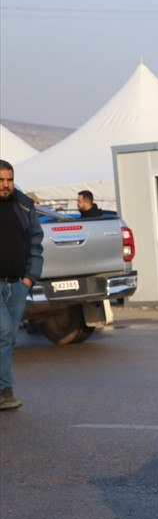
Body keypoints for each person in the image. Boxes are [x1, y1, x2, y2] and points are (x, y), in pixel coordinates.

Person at [0, 159, 44, 412]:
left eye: (9, 179)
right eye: (1, 180)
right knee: (4, 333)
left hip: (18, 284)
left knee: (7, 339)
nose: (6, 185)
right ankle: (5, 391)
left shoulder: (24, 206)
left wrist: (30, 277)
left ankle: (4, 392)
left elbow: (37, 241)